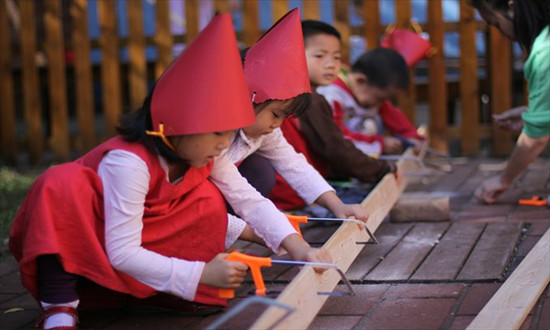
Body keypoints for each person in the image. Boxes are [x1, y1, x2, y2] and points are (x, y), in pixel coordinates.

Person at [8, 15, 329, 330]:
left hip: (139, 231)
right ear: (176, 124)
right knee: (59, 186)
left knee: (206, 202)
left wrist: (296, 246)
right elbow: (122, 251)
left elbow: (248, 199)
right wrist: (198, 274)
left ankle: (150, 292)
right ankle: (60, 304)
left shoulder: (204, 153)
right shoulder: (128, 163)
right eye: (218, 133)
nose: (223, 145)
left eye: (228, 133)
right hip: (95, 232)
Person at [213, 9, 370, 224]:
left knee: (259, 171)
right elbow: (240, 194)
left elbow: (295, 165)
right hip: (195, 198)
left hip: (225, 198)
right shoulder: (213, 140)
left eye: (283, 117)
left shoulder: (266, 131)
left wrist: (337, 205)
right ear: (249, 98)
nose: (277, 124)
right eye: (276, 114)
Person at [269, 20, 398, 211]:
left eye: (337, 57)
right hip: (297, 195)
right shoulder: (307, 100)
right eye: (320, 56)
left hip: (293, 190)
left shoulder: (304, 96)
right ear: (291, 56)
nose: (331, 64)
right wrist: (380, 170)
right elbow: (335, 149)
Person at [473, 0, 550, 204]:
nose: (502, 33)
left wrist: (503, 179)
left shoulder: (545, 52)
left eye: (496, 23)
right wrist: (530, 113)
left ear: (512, 7)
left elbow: (536, 138)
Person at [317, 47, 424, 156]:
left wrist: (411, 138)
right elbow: (337, 138)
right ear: (361, 81)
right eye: (380, 99)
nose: (381, 104)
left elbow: (394, 116)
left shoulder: (372, 96)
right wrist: (380, 144)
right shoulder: (332, 96)